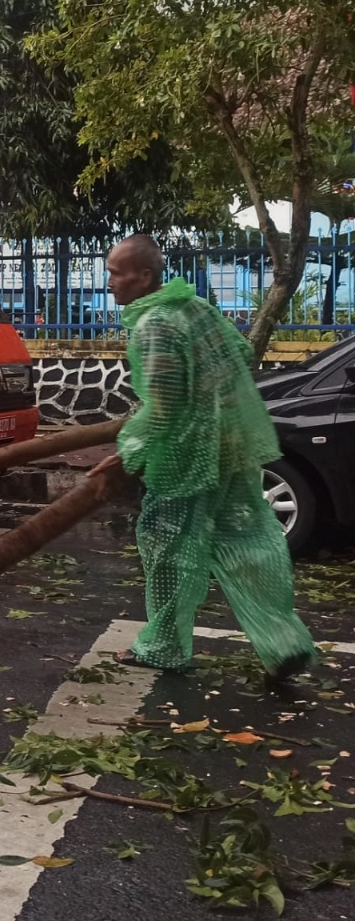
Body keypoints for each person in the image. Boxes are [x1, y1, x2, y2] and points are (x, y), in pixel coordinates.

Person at [101, 235, 315, 682]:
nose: (110, 283)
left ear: (145, 276)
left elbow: (163, 405)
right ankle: (285, 643)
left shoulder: (154, 323)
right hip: (230, 445)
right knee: (249, 542)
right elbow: (238, 352)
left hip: (185, 458)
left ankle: (163, 646)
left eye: (117, 273)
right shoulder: (194, 308)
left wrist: (130, 450)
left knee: (169, 551)